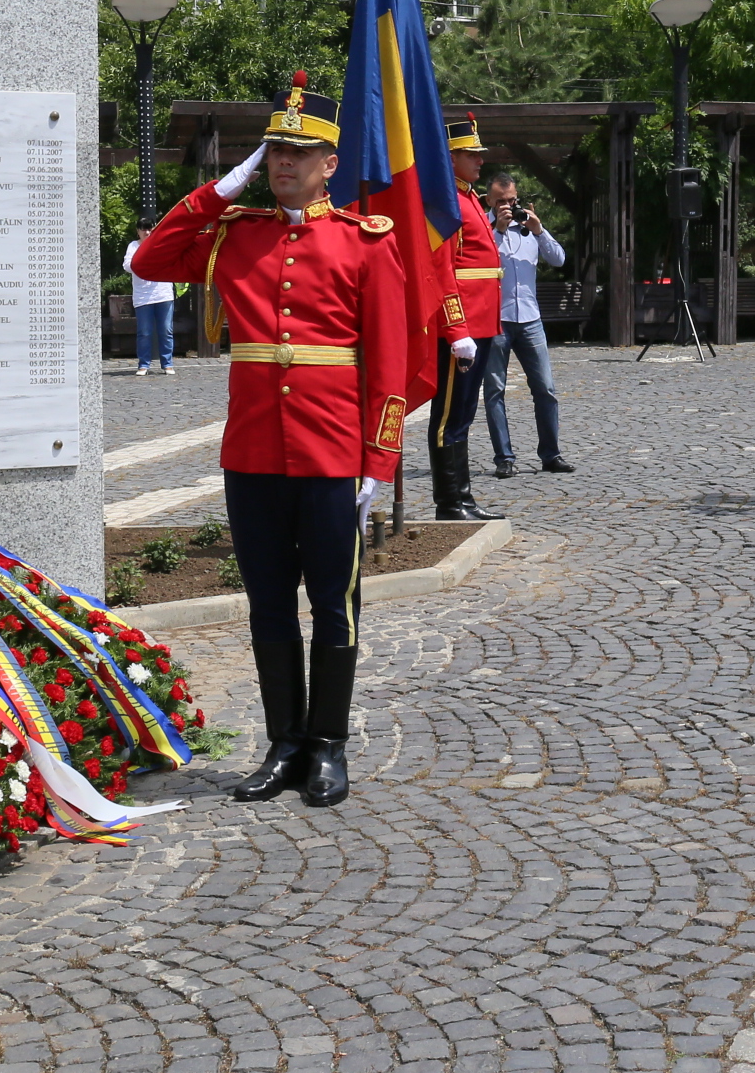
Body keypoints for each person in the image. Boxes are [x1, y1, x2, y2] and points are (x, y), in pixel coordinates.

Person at [130, 72, 410, 810]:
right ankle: (284, 742)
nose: (284, 163)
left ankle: (328, 745)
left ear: (329, 165)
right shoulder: (236, 236)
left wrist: (378, 461)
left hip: (330, 456)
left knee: (335, 604)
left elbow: (390, 365)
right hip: (252, 455)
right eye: (274, 152)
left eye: (299, 153)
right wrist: (218, 193)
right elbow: (149, 261)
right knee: (267, 606)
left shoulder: (364, 243)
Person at [427, 114, 501, 520]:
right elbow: (443, 272)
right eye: (470, 154)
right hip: (463, 325)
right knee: (449, 418)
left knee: (464, 415)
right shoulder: (449, 202)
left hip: (482, 321)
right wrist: (456, 329)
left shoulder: (469, 197)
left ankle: (464, 498)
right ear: (450, 157)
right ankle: (450, 502)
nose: (479, 161)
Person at [479, 172, 574, 478]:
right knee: (494, 391)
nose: (508, 206)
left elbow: (559, 260)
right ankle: (504, 457)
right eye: (501, 202)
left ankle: (550, 454)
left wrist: (540, 230)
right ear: (489, 201)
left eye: (512, 200)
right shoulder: (482, 226)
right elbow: (474, 261)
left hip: (530, 320)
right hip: (496, 321)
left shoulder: (528, 229)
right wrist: (497, 229)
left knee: (545, 388)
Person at [122, 222, 177, 376]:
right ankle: (143, 364)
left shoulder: (161, 243)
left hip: (163, 293)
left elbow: (170, 261)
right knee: (144, 332)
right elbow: (127, 265)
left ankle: (167, 364)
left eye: (149, 229)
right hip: (143, 295)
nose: (146, 232)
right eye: (143, 229)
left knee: (166, 330)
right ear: (137, 231)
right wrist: (143, 262)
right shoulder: (133, 246)